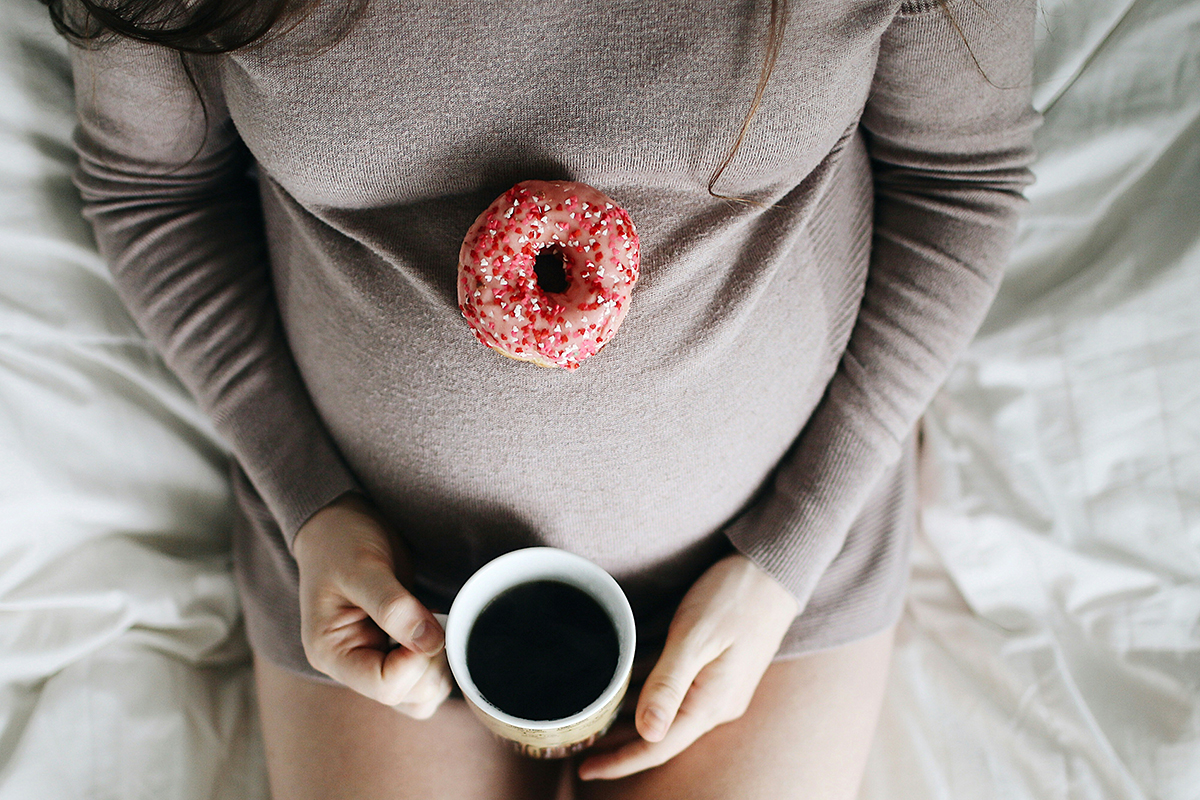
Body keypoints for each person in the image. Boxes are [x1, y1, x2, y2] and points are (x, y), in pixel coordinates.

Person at [50, 0, 1037, 796]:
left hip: (776, 556)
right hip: (373, 578)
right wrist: (307, 500)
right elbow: (149, 186)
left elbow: (962, 174)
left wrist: (790, 552)